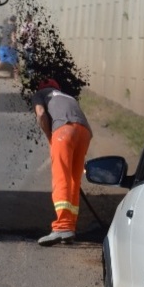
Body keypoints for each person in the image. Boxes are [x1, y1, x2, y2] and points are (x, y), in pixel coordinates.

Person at [32, 79, 93, 246]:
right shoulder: (68, 97)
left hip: (64, 131)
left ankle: (61, 227)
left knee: (61, 178)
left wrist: (51, 138)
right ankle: (69, 228)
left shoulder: (40, 95)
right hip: (85, 132)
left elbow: (41, 114)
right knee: (74, 180)